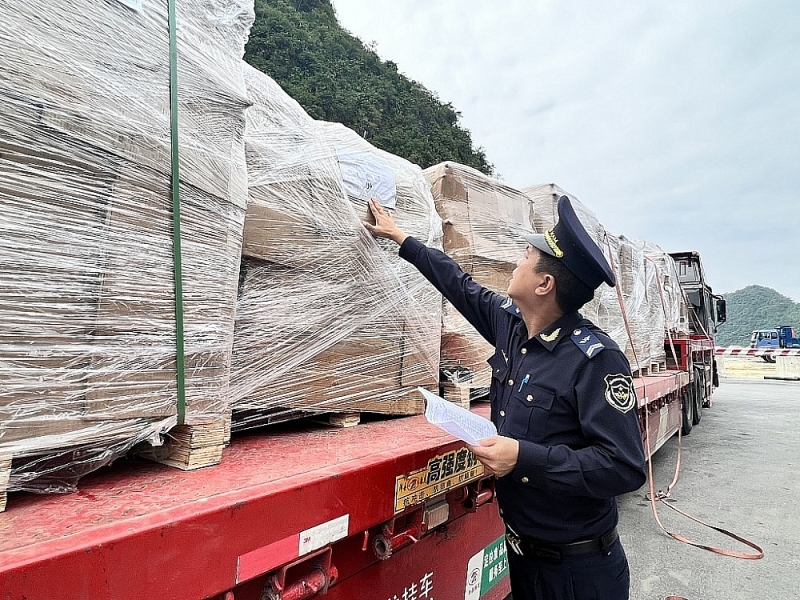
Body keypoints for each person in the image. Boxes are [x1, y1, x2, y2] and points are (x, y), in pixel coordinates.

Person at [364, 195, 647, 600]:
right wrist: (400, 237)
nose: (517, 260)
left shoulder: (594, 360)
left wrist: (523, 457)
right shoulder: (512, 327)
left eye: (527, 255)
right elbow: (458, 284)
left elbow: (624, 467)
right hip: (523, 559)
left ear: (544, 284)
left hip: (579, 573)